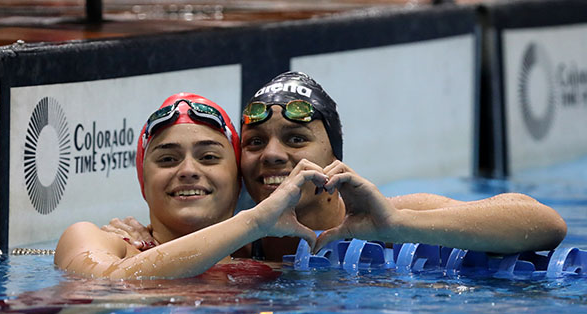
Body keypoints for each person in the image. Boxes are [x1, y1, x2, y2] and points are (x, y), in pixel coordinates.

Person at [107, 72, 567, 259]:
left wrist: (398, 224)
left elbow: (545, 224)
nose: (271, 154)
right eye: (255, 142)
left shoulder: (390, 216)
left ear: (335, 157)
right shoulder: (233, 245)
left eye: (296, 139)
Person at [55, 93, 328, 279]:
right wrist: (252, 223)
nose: (187, 171)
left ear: (236, 180)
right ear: (143, 180)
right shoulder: (96, 241)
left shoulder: (269, 265)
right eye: (167, 159)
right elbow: (105, 285)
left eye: (208, 157)